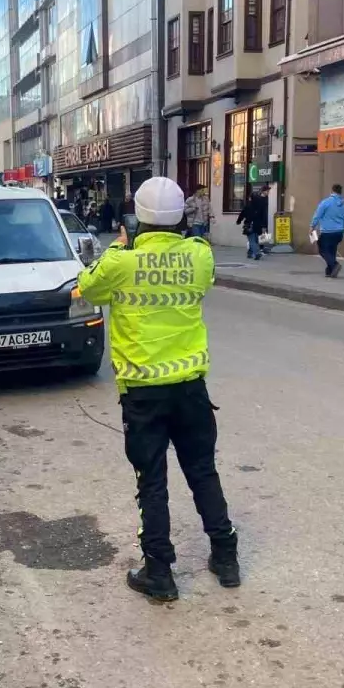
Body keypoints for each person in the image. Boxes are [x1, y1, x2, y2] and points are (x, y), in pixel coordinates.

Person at [76, 177, 238, 603]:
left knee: (152, 481)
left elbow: (87, 287)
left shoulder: (121, 262)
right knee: (203, 471)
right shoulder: (199, 256)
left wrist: (119, 245)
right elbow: (203, 282)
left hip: (144, 393)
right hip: (190, 388)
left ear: (136, 218)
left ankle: (160, 572)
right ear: (182, 216)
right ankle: (226, 557)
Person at [310, 184, 344, 278]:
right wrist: (343, 230)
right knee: (332, 250)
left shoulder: (326, 202)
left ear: (332, 191)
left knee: (322, 249)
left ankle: (334, 265)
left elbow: (317, 215)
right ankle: (330, 270)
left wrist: (312, 226)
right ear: (340, 192)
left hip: (328, 231)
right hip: (339, 232)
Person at [236, 187, 269, 260]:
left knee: (251, 240)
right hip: (258, 225)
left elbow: (242, 214)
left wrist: (238, 221)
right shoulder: (261, 206)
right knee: (255, 240)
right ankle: (250, 253)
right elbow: (264, 216)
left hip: (249, 225)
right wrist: (264, 226)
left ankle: (257, 253)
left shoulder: (248, 206)